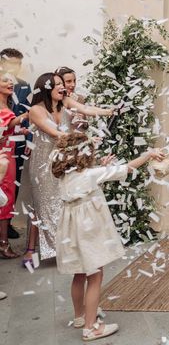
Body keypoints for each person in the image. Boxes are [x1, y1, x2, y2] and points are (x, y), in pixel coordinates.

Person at [51, 131, 165, 341]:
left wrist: (101, 167)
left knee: (79, 273)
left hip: (71, 231)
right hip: (89, 230)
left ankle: (80, 316)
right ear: (83, 155)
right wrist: (148, 154)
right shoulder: (90, 174)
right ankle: (91, 327)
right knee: (95, 275)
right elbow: (128, 167)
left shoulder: (67, 176)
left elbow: (86, 184)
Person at [23, 72, 113, 268]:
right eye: (57, 85)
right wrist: (86, 141)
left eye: (62, 84)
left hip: (63, 161)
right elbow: (56, 134)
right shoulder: (36, 110)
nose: (62, 87)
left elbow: (86, 109)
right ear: (47, 88)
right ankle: (59, 248)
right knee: (46, 204)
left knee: (63, 201)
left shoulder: (66, 103)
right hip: (42, 166)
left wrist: (109, 111)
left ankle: (68, 247)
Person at [0, 48, 32, 239]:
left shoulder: (24, 86)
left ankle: (7, 224)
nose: (15, 67)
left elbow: (29, 113)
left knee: (13, 184)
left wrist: (28, 139)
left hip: (17, 142)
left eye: (18, 63)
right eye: (10, 63)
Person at [55, 66, 88, 130]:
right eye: (68, 81)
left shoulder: (80, 99)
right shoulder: (52, 100)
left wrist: (83, 122)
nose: (73, 85)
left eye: (74, 81)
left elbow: (85, 127)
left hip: (77, 137)